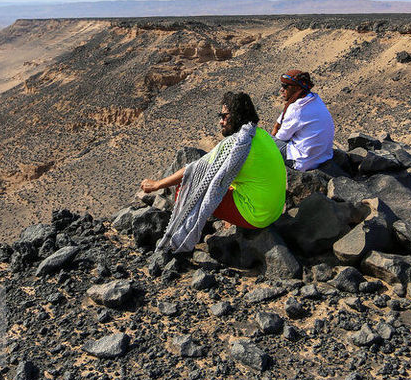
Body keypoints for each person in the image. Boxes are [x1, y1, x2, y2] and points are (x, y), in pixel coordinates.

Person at [141, 92, 286, 253]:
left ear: (237, 116)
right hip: (275, 211)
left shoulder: (236, 144)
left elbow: (194, 170)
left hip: (257, 216)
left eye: (224, 116)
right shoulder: (261, 134)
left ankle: (185, 235)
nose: (220, 121)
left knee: (186, 189)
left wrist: (156, 185)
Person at [271, 70, 335, 171]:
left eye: (285, 86)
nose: (281, 90)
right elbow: (279, 123)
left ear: (297, 88)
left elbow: (281, 137)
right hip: (324, 157)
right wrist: (276, 127)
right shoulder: (315, 99)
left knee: (262, 142)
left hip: (303, 162)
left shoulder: (297, 109)